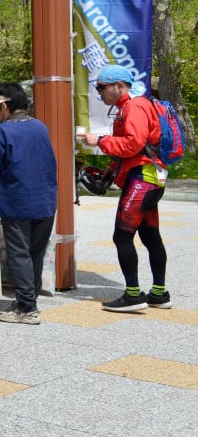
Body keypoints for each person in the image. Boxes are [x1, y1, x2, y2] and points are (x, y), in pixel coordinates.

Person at [79, 64, 172, 312]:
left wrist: (100, 141)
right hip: (148, 176)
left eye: (101, 87)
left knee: (122, 236)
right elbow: (132, 149)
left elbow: (132, 144)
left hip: (143, 177)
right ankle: (159, 294)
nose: (99, 93)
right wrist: (110, 173)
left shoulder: (134, 107)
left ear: (118, 85)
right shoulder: (127, 108)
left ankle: (133, 295)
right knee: (150, 236)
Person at [0, 83, 57, 325]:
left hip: (17, 201)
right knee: (35, 254)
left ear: (5, 106)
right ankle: (26, 300)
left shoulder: (0, 133)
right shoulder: (40, 127)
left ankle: (27, 308)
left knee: (19, 254)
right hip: (45, 200)